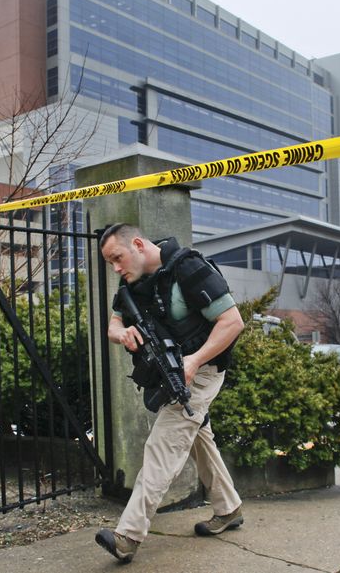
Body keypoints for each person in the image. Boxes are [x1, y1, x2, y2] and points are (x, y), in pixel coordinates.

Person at [95, 224, 245, 564]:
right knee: (196, 438)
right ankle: (228, 507)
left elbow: (232, 321)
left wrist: (193, 361)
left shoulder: (189, 269)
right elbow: (112, 325)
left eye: (117, 258)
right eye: (110, 263)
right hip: (172, 373)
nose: (116, 268)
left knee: (162, 445)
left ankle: (128, 535)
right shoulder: (132, 283)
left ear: (137, 244)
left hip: (203, 371)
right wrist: (123, 335)